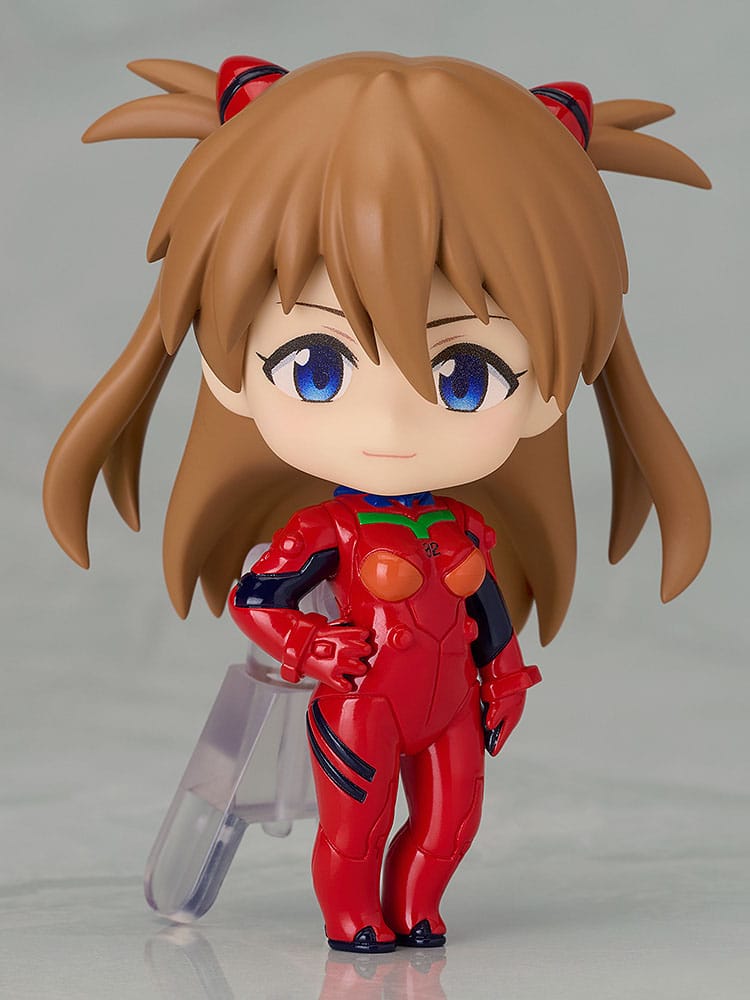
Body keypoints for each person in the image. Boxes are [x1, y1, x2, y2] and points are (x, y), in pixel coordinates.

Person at [44, 52, 711, 952]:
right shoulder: (327, 530)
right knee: (355, 828)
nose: (392, 420)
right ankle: (354, 915)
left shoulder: (465, 528)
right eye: (316, 369)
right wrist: (313, 645)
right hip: (361, 701)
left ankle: (418, 905)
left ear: (546, 397)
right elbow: (258, 599)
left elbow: (486, 613)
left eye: (466, 375)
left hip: (451, 703)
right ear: (231, 369)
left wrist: (505, 677)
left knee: (450, 823)